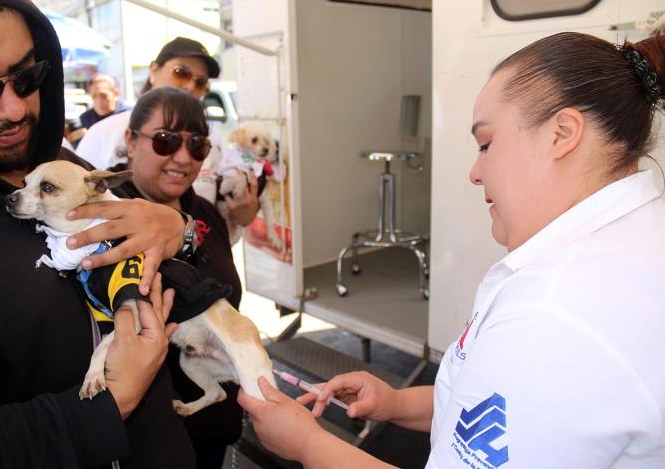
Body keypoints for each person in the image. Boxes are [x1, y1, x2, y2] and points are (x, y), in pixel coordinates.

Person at [239, 32, 665, 468]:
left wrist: (307, 444)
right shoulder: (622, 245)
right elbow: (497, 414)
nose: (475, 173)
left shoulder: (560, 317)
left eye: (486, 144)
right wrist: (397, 403)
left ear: (562, 133)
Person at [0, 1, 197, 467]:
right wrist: (111, 400)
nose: (14, 108)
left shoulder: (53, 161)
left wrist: (177, 227)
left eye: (27, 77)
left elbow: (151, 246)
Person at [113, 86, 244, 468]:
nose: (183, 158)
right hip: (147, 438)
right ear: (131, 141)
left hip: (212, 420)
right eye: (166, 141)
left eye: (198, 145)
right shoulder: (113, 216)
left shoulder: (204, 211)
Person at [76, 37, 261, 229]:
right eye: (181, 73)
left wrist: (240, 215)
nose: (190, 86)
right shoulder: (103, 132)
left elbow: (217, 218)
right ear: (154, 71)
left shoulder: (211, 140)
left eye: (200, 82)